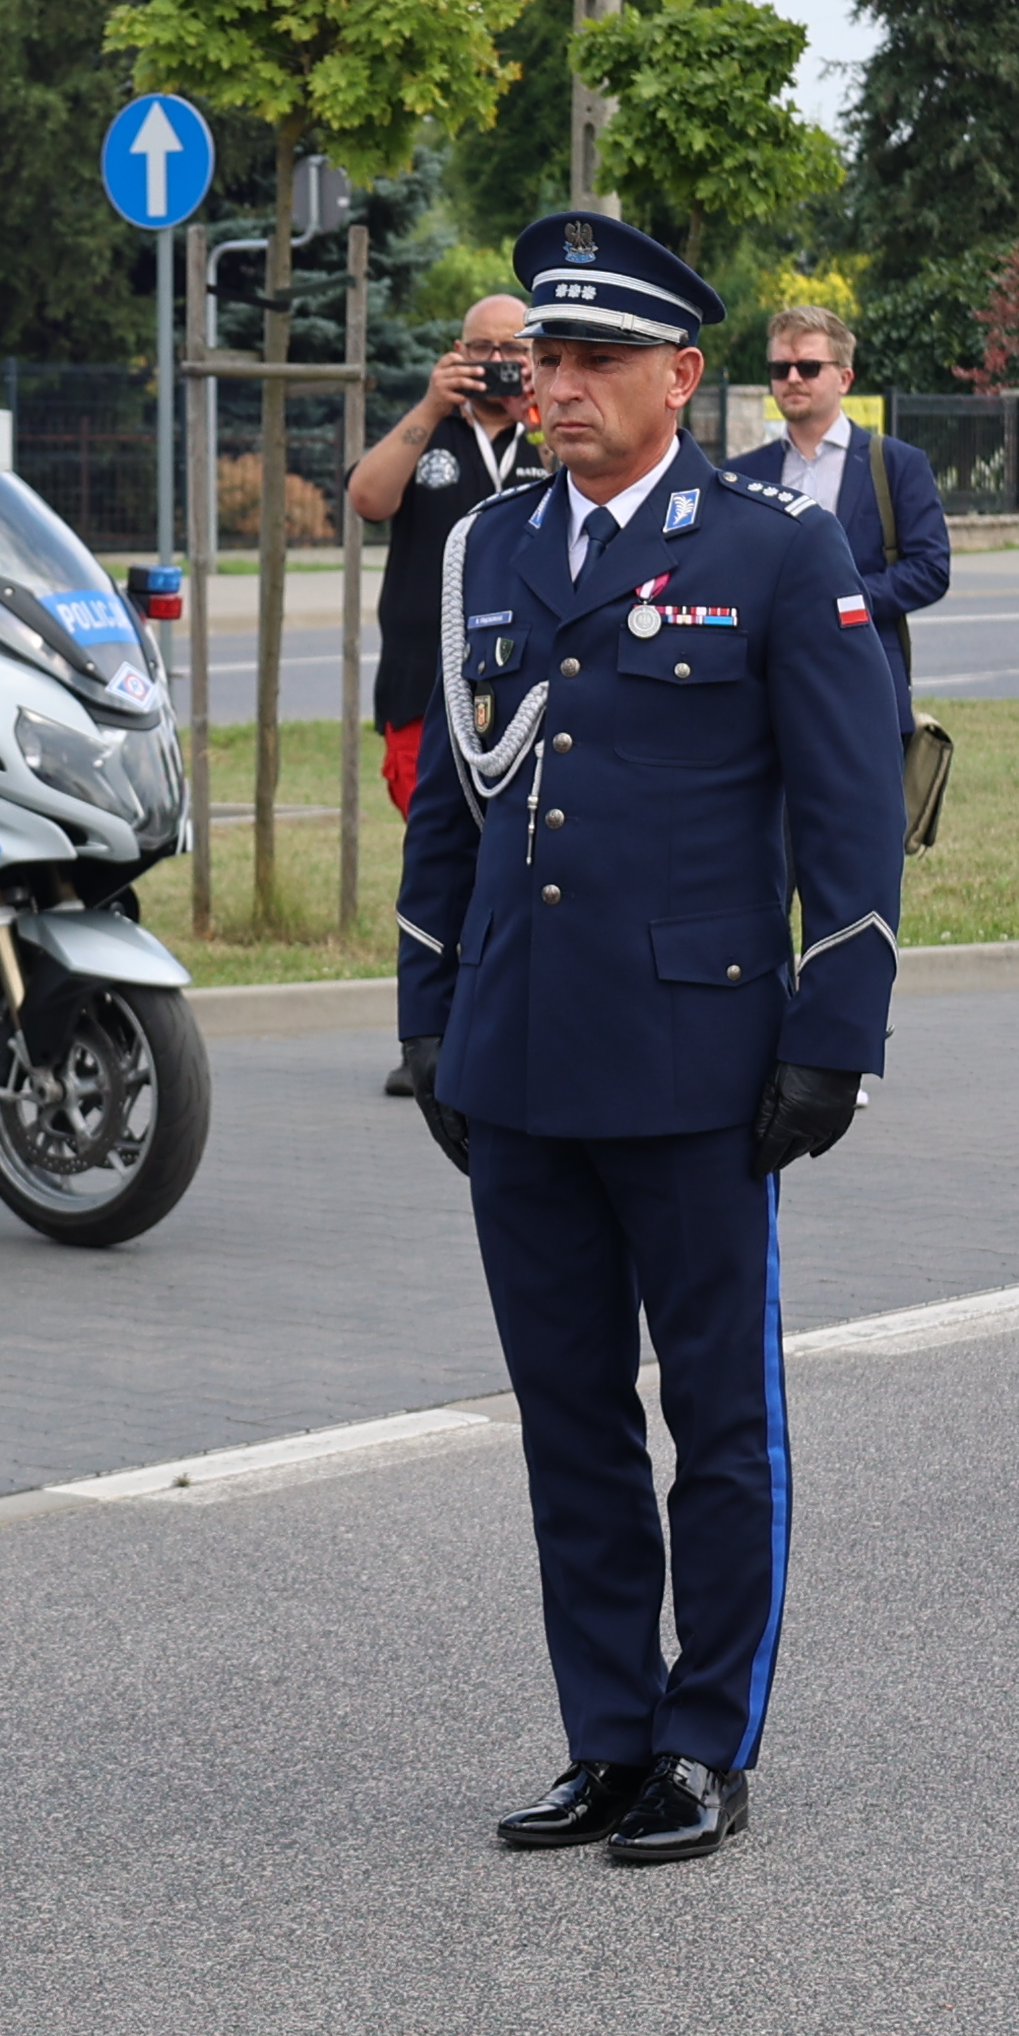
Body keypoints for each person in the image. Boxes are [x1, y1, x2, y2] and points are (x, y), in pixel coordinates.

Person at [394, 211, 908, 1869]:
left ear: (680, 376)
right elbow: (451, 803)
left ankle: (703, 1741)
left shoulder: (770, 549)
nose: (559, 385)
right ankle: (606, 1734)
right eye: (545, 357)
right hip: (519, 1053)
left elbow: (850, 814)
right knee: (568, 1419)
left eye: (595, 360)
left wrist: (832, 1031)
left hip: (698, 1061)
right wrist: (428, 1010)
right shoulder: (490, 548)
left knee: (719, 1421)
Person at [357, 288, 547, 821]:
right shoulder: (426, 430)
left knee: (518, 840)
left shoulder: (550, 433)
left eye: (513, 349)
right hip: (423, 681)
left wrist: (538, 417)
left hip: (526, 682)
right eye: (482, 348)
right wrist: (432, 405)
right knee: (435, 838)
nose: (497, 361)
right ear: (459, 353)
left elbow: (585, 499)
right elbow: (368, 500)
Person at [720, 304, 953, 697]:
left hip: (866, 678)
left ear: (845, 378)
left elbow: (930, 569)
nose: (792, 379)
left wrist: (839, 601)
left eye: (809, 367)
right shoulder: (741, 474)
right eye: (780, 369)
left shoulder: (896, 464)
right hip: (766, 685)